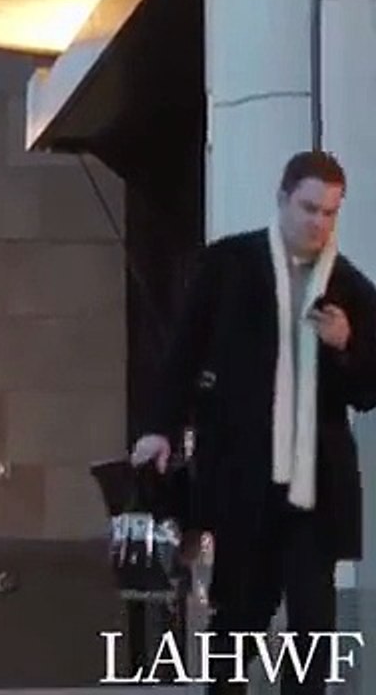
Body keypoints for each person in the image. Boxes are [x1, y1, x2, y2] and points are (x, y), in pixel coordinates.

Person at [132, 151, 376, 694]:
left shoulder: (349, 289)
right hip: (243, 478)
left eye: (330, 213)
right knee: (240, 620)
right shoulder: (228, 267)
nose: (318, 222)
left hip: (315, 490)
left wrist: (347, 346)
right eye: (310, 208)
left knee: (313, 628)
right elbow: (183, 353)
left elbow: (367, 392)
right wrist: (158, 428)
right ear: (283, 199)